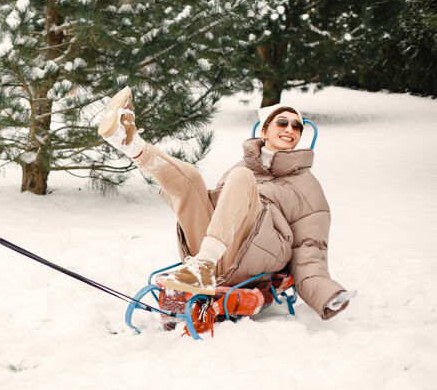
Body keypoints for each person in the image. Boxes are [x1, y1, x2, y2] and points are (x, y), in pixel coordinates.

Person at [98, 87, 355, 320]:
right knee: (192, 180)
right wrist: (190, 203)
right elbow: (219, 211)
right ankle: (132, 144)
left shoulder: (306, 185)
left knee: (242, 179)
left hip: (260, 260)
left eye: (297, 126)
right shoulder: (241, 167)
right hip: (217, 252)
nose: (290, 129)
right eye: (283, 122)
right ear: (264, 130)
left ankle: (205, 266)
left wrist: (325, 293)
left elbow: (311, 247)